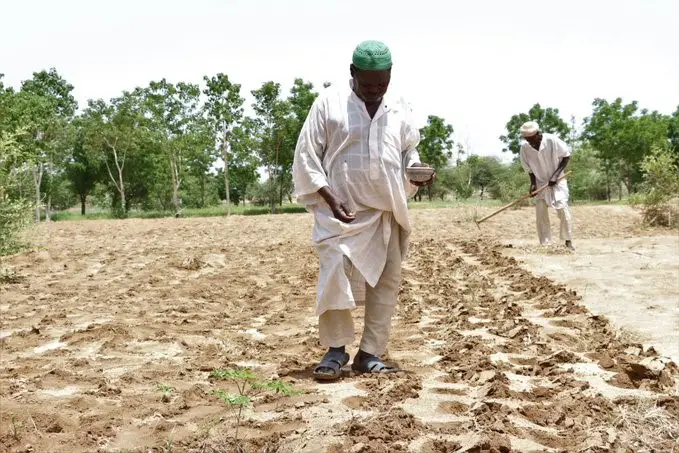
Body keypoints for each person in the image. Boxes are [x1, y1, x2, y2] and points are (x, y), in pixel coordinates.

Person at [292, 40, 434, 381]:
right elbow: (307, 154)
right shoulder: (329, 102)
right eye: (367, 84)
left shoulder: (398, 105)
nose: (374, 91)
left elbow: (408, 150)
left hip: (386, 209)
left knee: (386, 283)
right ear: (352, 73)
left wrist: (417, 169)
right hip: (338, 211)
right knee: (334, 276)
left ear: (390, 77)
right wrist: (327, 195)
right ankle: (336, 350)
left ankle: (370, 353)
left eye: (381, 84)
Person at [518, 121, 575, 251]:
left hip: (558, 181)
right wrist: (533, 184)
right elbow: (529, 170)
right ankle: (545, 244)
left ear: (538, 134)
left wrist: (555, 175)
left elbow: (566, 156)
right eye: (527, 140)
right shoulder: (525, 148)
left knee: (563, 210)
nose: (530, 142)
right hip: (540, 183)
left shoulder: (552, 140)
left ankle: (568, 241)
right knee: (541, 214)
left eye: (532, 139)